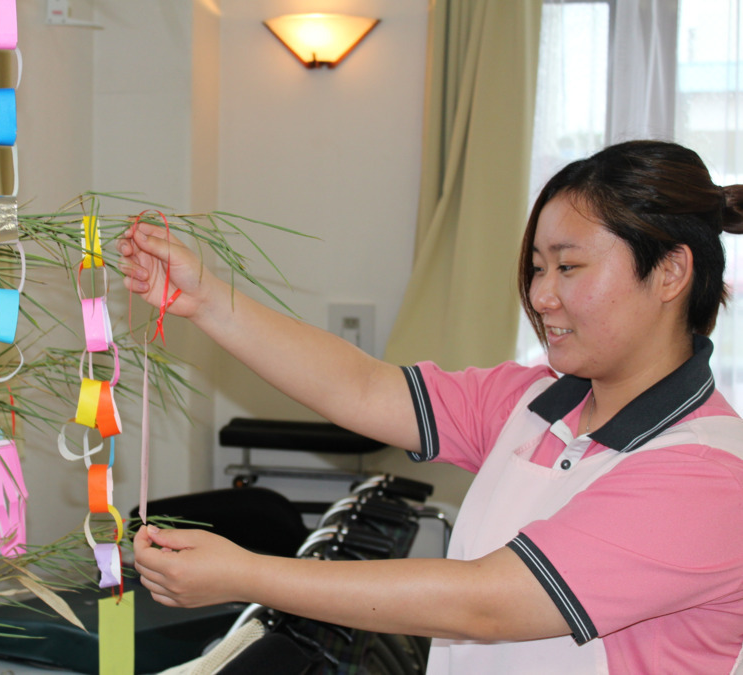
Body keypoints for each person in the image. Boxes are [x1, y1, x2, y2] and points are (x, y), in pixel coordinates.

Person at [119, 140, 743, 674]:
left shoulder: (709, 474)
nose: (542, 295)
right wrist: (204, 301)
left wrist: (247, 575)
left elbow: (487, 602)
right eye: (535, 268)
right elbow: (361, 389)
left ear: (669, 272)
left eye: (569, 267)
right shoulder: (531, 402)